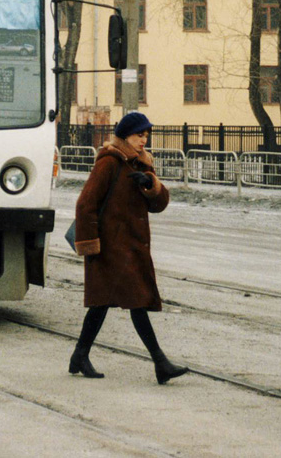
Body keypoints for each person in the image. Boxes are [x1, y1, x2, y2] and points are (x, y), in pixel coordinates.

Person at [70, 111, 188, 385]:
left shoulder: (140, 164)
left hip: (131, 246)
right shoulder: (109, 163)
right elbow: (85, 204)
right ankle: (160, 363)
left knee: (102, 304)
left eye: (146, 136)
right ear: (125, 136)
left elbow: (159, 205)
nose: (143, 141)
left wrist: (151, 185)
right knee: (136, 301)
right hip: (110, 249)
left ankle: (79, 355)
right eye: (139, 135)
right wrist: (90, 246)